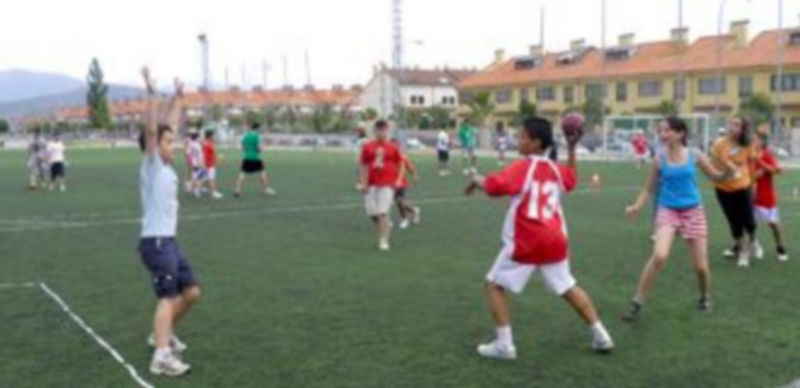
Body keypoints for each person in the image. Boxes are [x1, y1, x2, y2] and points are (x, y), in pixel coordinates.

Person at [466, 116, 614, 360]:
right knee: (568, 286)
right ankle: (601, 335)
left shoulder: (524, 167)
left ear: (535, 143)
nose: (518, 140)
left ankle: (505, 345)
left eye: (522, 136)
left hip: (527, 241)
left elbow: (494, 187)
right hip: (555, 240)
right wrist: (573, 148)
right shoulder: (555, 169)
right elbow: (572, 179)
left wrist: (475, 179)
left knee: (493, 285)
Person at [622, 117, 735, 322]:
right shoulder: (659, 158)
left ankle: (704, 297)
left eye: (667, 131)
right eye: (661, 131)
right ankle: (636, 302)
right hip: (668, 210)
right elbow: (649, 187)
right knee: (659, 255)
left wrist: (728, 171)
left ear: (680, 133)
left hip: (693, 211)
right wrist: (636, 206)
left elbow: (717, 178)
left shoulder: (695, 155)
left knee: (701, 267)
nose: (663, 134)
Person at [138, 68, 201, 377]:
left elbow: (167, 125)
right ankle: (161, 356)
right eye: (168, 142)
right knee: (169, 297)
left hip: (170, 241)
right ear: (154, 146)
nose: (172, 145)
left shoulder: (166, 166)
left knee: (191, 293)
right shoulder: (151, 165)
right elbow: (153, 129)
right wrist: (151, 93)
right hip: (156, 242)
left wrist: (177, 97)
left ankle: (160, 335)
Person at [711, 117, 758, 268]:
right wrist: (733, 169)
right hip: (723, 188)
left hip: (743, 187)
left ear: (743, 129)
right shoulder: (720, 143)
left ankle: (751, 240)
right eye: (731, 123)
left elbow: (751, 162)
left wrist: (753, 182)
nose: (732, 127)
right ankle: (743, 250)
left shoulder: (747, 143)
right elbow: (724, 160)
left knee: (749, 221)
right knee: (734, 221)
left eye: (737, 125)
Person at [359, 120, 405, 251]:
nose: (382, 132)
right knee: (372, 214)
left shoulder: (393, 147)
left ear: (387, 131)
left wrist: (399, 179)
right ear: (375, 131)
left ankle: (383, 240)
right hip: (372, 183)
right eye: (379, 130)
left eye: (384, 130)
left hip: (386, 183)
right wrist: (363, 183)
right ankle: (384, 228)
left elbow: (401, 163)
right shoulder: (368, 147)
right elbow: (363, 165)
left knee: (383, 212)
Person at [752, 131, 789, 262]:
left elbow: (775, 170)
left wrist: (760, 163)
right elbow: (747, 175)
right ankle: (755, 247)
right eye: (752, 139)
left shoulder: (766, 155)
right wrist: (754, 175)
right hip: (751, 197)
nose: (753, 141)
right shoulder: (749, 156)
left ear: (762, 142)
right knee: (750, 225)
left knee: (773, 224)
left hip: (766, 196)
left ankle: (780, 247)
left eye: (755, 139)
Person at [234, 122, 276, 197]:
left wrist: (248, 152)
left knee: (242, 173)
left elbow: (243, 147)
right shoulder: (257, 136)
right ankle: (265, 189)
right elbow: (258, 149)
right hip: (256, 158)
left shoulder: (246, 136)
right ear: (258, 128)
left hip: (246, 157)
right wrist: (263, 148)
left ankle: (238, 190)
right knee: (262, 173)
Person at [395, 149, 421, 230]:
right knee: (399, 202)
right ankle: (414, 210)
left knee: (399, 201)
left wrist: (415, 177)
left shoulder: (402, 157)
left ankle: (404, 219)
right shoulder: (387, 157)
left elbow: (411, 168)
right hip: (389, 183)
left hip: (401, 183)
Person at [201, 129, 223, 199]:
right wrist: (219, 158)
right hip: (209, 164)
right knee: (211, 178)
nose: (214, 136)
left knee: (206, 177)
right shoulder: (209, 143)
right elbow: (212, 151)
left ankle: (203, 188)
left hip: (206, 163)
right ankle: (214, 192)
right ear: (210, 136)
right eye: (213, 135)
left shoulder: (205, 142)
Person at [186, 130, 206, 197]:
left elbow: (188, 154)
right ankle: (197, 190)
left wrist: (190, 162)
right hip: (198, 162)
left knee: (194, 176)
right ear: (197, 137)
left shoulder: (190, 144)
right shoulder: (197, 145)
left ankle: (191, 189)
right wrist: (201, 163)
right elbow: (199, 155)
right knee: (201, 176)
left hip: (193, 162)